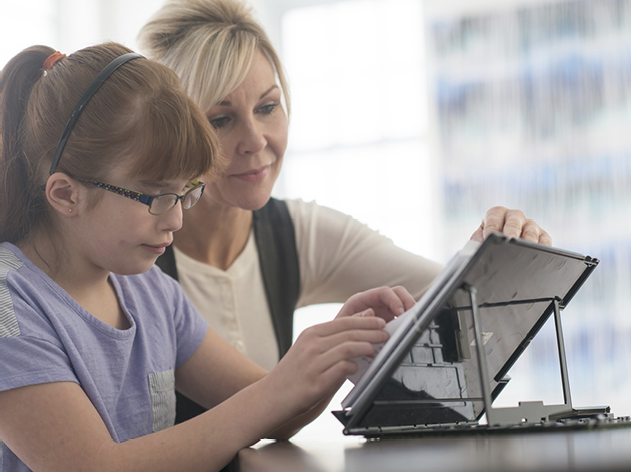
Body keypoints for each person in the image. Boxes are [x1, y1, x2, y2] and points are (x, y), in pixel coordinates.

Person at [0, 42, 416, 472]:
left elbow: (277, 412)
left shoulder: (150, 290)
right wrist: (277, 390)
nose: (176, 218)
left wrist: (331, 353)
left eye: (186, 192)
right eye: (159, 195)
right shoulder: (9, 305)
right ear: (67, 194)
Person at [137, 0, 552, 421]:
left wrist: (491, 251)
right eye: (221, 120)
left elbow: (456, 300)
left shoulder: (298, 233)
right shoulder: (135, 257)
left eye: (267, 107)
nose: (256, 140)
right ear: (177, 134)